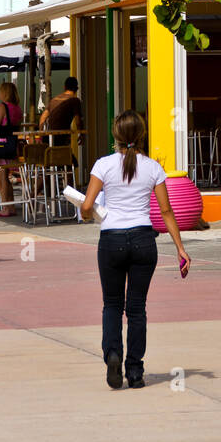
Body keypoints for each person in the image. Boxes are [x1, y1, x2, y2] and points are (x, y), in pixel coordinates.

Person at [81, 110, 190, 390]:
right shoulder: (153, 167)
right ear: (141, 135)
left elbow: (85, 207)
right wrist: (180, 248)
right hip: (144, 240)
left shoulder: (103, 165)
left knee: (112, 304)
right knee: (137, 309)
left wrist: (85, 213)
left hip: (112, 240)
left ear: (115, 136)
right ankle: (135, 371)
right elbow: (165, 210)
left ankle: (113, 355)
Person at [0, 81, 23, 217]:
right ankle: (11, 206)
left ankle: (6, 207)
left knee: (2, 177)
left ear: (4, 93)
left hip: (1, 145)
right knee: (7, 176)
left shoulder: (2, 107)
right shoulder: (17, 108)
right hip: (12, 145)